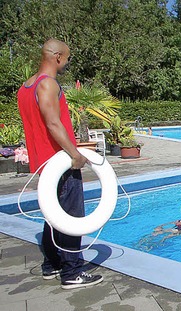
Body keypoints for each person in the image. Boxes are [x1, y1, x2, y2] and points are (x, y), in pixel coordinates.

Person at [17, 39, 103, 289]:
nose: (67, 63)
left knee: (53, 216)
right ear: (57, 57)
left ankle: (52, 264)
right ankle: (72, 272)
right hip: (60, 163)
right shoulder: (47, 84)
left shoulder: (26, 87)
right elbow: (53, 123)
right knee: (71, 217)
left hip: (43, 164)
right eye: (67, 58)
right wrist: (74, 154)